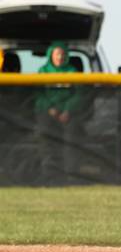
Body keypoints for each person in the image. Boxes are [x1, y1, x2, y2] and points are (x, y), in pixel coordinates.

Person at [34, 42, 80, 178]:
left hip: (68, 114)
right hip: (47, 113)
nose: (60, 57)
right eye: (57, 54)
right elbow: (38, 94)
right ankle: (48, 173)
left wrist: (67, 110)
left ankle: (71, 173)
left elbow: (79, 94)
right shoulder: (43, 71)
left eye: (62, 54)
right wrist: (50, 109)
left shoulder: (73, 72)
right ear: (51, 56)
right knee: (45, 135)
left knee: (72, 135)